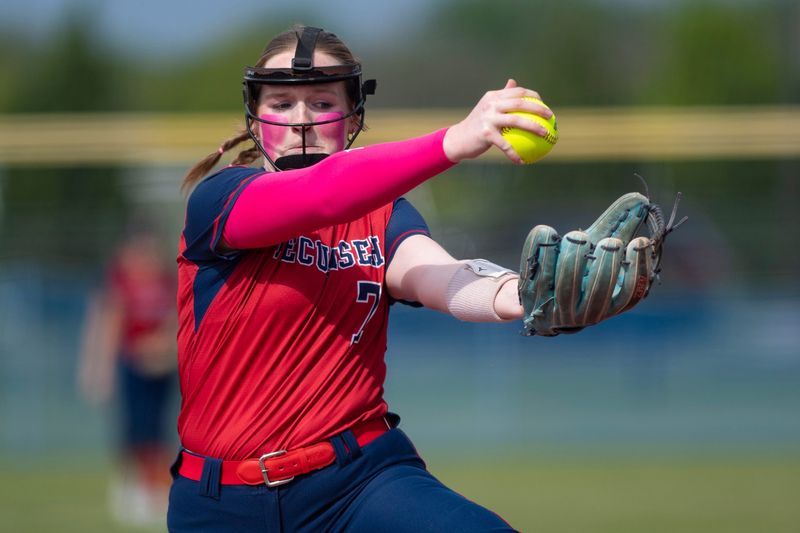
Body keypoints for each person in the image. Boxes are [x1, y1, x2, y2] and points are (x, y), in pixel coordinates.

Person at [169, 24, 554, 532]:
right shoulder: (220, 201)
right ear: (255, 116)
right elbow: (321, 194)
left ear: (352, 115)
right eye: (281, 103)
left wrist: (527, 293)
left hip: (357, 483)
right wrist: (453, 141)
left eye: (322, 102)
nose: (301, 120)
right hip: (220, 504)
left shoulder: (384, 215)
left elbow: (439, 276)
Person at [78, 225, 178, 526]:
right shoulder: (120, 278)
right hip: (132, 362)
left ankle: (154, 488)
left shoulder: (164, 278)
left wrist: (164, 347)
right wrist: (98, 367)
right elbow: (108, 321)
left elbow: (177, 318)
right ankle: (130, 486)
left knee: (158, 427)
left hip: (160, 365)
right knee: (133, 427)